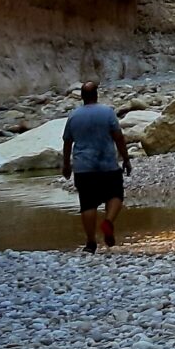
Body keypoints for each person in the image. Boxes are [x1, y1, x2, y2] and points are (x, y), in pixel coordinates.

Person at [61, 78, 129, 252]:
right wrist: (126, 159)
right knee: (115, 195)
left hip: (84, 167)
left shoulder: (73, 116)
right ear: (96, 95)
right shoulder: (107, 112)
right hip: (107, 164)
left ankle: (91, 242)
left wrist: (66, 165)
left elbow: (67, 142)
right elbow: (118, 136)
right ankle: (108, 221)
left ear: (82, 97)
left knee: (88, 204)